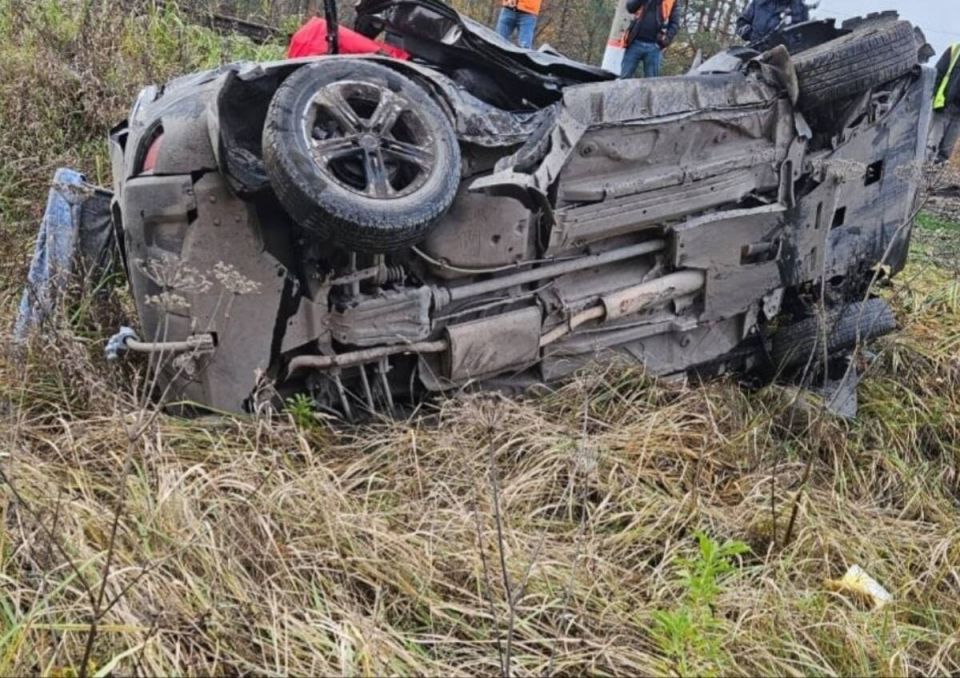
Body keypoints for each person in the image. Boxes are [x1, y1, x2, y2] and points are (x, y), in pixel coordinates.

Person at [619, 0, 681, 79]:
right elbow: (630, 8)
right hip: (634, 43)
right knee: (624, 78)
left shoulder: (673, 1)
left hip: (655, 47)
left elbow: (675, 24)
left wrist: (666, 40)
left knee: (651, 82)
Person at [736, 0, 809, 44]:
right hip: (756, 56)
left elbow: (806, 36)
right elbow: (741, 23)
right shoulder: (758, 3)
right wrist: (750, 34)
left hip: (789, 58)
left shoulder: (800, 8)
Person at [934, 44, 960, 163]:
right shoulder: (954, 50)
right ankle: (917, 176)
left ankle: (932, 180)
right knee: (930, 145)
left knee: (945, 152)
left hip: (958, 116)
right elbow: (937, 73)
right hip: (943, 107)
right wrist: (934, 97)